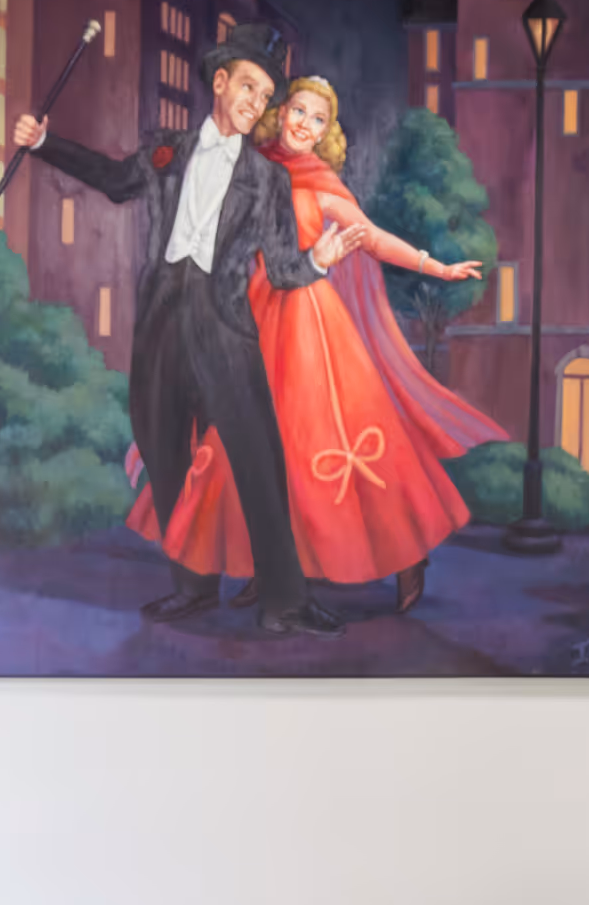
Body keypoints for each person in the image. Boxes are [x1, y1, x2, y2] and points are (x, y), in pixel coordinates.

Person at [13, 26, 364, 638]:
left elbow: (282, 269)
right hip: (161, 320)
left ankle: (285, 600)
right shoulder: (164, 152)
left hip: (225, 325)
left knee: (258, 456)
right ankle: (193, 586)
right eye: (249, 87)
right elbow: (113, 179)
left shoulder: (268, 180)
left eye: (266, 95)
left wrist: (319, 261)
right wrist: (45, 143)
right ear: (220, 83)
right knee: (163, 448)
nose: (258, 103)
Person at [127, 74, 507, 615]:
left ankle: (406, 554)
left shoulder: (319, 180)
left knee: (320, 439)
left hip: (307, 325)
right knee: (250, 450)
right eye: (298, 111)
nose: (305, 124)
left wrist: (433, 265)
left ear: (328, 131)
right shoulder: (248, 163)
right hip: (246, 316)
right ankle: (270, 566)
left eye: (318, 118)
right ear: (280, 113)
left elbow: (369, 238)